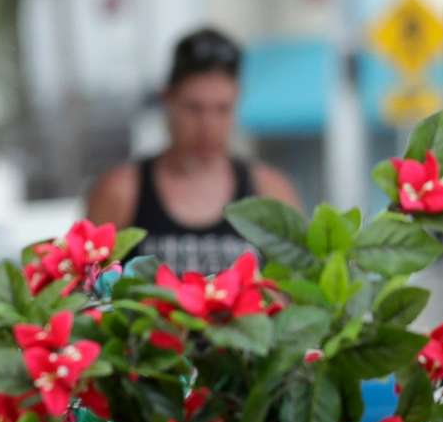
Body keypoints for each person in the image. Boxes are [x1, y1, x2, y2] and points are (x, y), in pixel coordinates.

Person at [84, 26, 301, 275]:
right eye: (194, 108)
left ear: (238, 102)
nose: (208, 126)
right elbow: (83, 293)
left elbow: (300, 290)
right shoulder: (121, 191)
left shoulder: (270, 191)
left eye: (222, 109)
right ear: (167, 100)